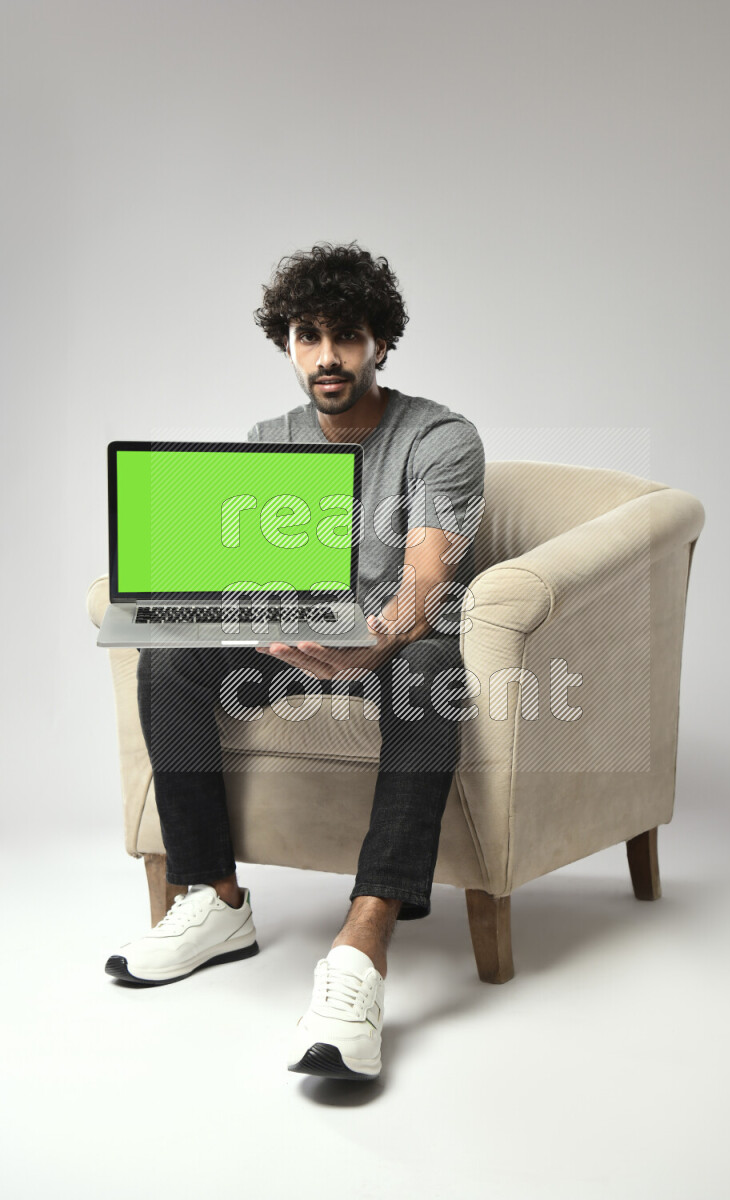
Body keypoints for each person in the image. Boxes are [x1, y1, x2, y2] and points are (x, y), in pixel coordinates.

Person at [106, 242, 486, 1081]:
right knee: (169, 660)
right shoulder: (267, 439)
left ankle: (362, 944)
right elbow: (245, 574)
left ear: (379, 342)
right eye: (307, 336)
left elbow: (427, 578)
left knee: (432, 673)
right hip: (294, 638)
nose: (326, 356)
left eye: (345, 336)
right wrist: (198, 603)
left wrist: (371, 641)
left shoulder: (441, 438)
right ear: (287, 342)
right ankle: (212, 898)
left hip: (398, 646)